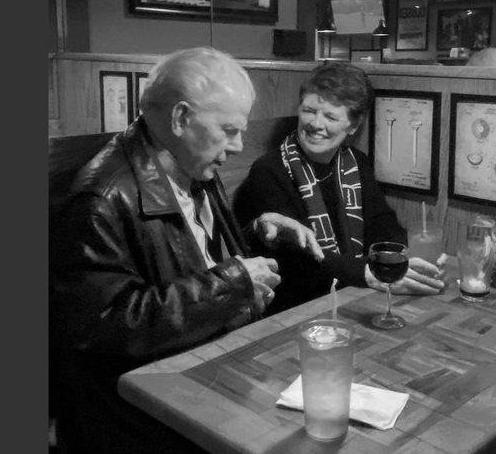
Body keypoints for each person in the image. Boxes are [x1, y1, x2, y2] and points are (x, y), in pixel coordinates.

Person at [51, 47, 323, 454]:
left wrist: (256, 233)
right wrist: (232, 285)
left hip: (209, 375)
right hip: (138, 418)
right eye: (229, 130)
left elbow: (187, 258)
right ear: (180, 119)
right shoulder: (101, 198)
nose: (238, 145)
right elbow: (102, 329)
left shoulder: (192, 164)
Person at [233, 61, 446, 314]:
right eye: (309, 110)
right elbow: (297, 261)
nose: (316, 124)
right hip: (296, 307)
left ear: (353, 126)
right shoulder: (268, 171)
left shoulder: (356, 163)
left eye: (331, 116)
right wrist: (367, 272)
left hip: (350, 296)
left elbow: (383, 226)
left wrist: (406, 258)